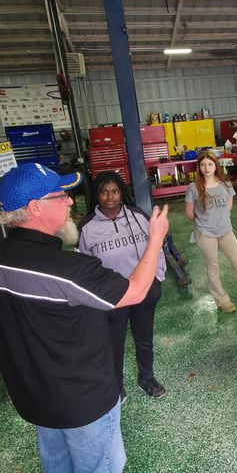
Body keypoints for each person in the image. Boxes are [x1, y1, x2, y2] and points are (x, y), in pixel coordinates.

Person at [0, 162, 175, 473]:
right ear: (34, 209)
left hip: (32, 395)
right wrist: (155, 240)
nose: (72, 202)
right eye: (60, 196)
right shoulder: (65, 270)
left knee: (55, 460)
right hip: (83, 397)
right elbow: (135, 291)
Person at [77, 171, 167, 400]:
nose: (110, 196)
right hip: (111, 295)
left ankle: (147, 378)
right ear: (96, 195)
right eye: (104, 191)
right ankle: (115, 386)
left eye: (115, 191)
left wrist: (157, 277)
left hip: (144, 290)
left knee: (144, 338)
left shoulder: (138, 216)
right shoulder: (87, 227)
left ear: (122, 192)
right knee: (113, 343)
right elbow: (84, 265)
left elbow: (156, 246)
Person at [185, 150, 237, 313]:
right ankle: (222, 300)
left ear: (215, 165)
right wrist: (204, 223)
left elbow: (229, 204)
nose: (206, 168)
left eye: (210, 164)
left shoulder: (225, 183)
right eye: (203, 164)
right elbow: (189, 212)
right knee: (213, 268)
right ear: (198, 167)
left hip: (226, 231)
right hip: (206, 234)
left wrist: (221, 219)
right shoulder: (193, 187)